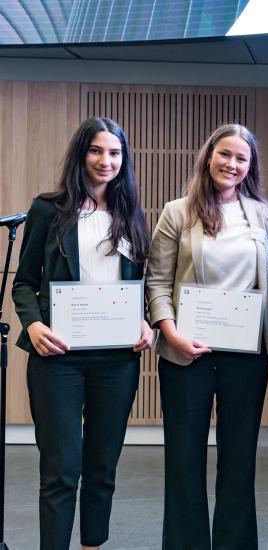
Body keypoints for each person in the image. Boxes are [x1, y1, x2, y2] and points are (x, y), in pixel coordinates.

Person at [12, 117, 153, 550]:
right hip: (58, 357)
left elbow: (139, 286)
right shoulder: (47, 209)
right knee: (60, 468)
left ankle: (93, 545)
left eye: (114, 153)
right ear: (81, 154)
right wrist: (33, 324)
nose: (106, 160)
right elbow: (23, 282)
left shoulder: (132, 215)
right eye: (96, 150)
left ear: (123, 159)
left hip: (116, 359)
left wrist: (146, 321)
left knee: (101, 467)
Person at [144, 123, 268, 549]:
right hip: (188, 353)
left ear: (250, 167)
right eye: (226, 154)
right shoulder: (176, 212)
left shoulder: (261, 214)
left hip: (246, 354)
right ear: (209, 156)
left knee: (239, 461)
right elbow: (156, 282)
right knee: (184, 460)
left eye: (242, 159)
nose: (232, 164)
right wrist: (171, 334)